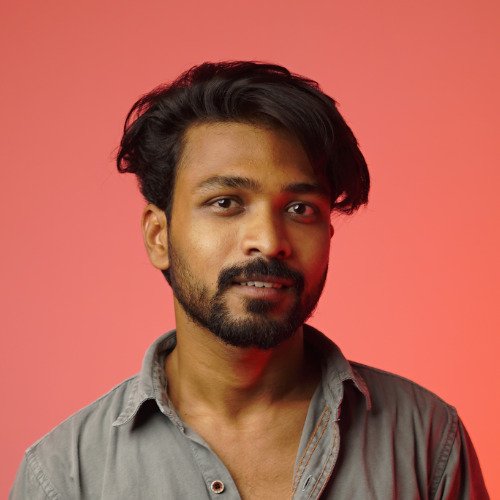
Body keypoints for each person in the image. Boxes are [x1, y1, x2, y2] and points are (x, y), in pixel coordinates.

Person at [11, 61, 489, 499]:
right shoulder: (64, 477)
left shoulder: (427, 439)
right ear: (159, 236)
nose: (269, 240)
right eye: (226, 203)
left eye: (300, 209)